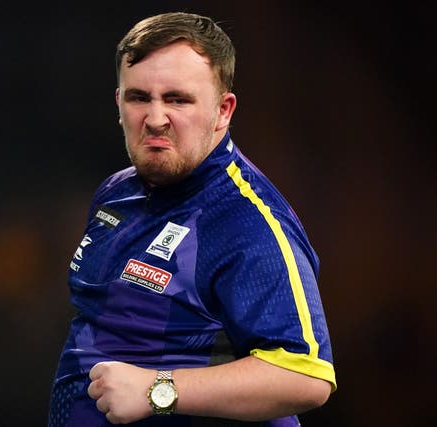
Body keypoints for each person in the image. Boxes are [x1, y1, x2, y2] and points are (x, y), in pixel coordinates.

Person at [48, 11, 336, 427]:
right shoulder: (116, 193)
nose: (155, 118)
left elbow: (305, 376)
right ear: (118, 102)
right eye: (139, 97)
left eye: (178, 99)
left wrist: (156, 391)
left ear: (223, 110)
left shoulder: (247, 224)